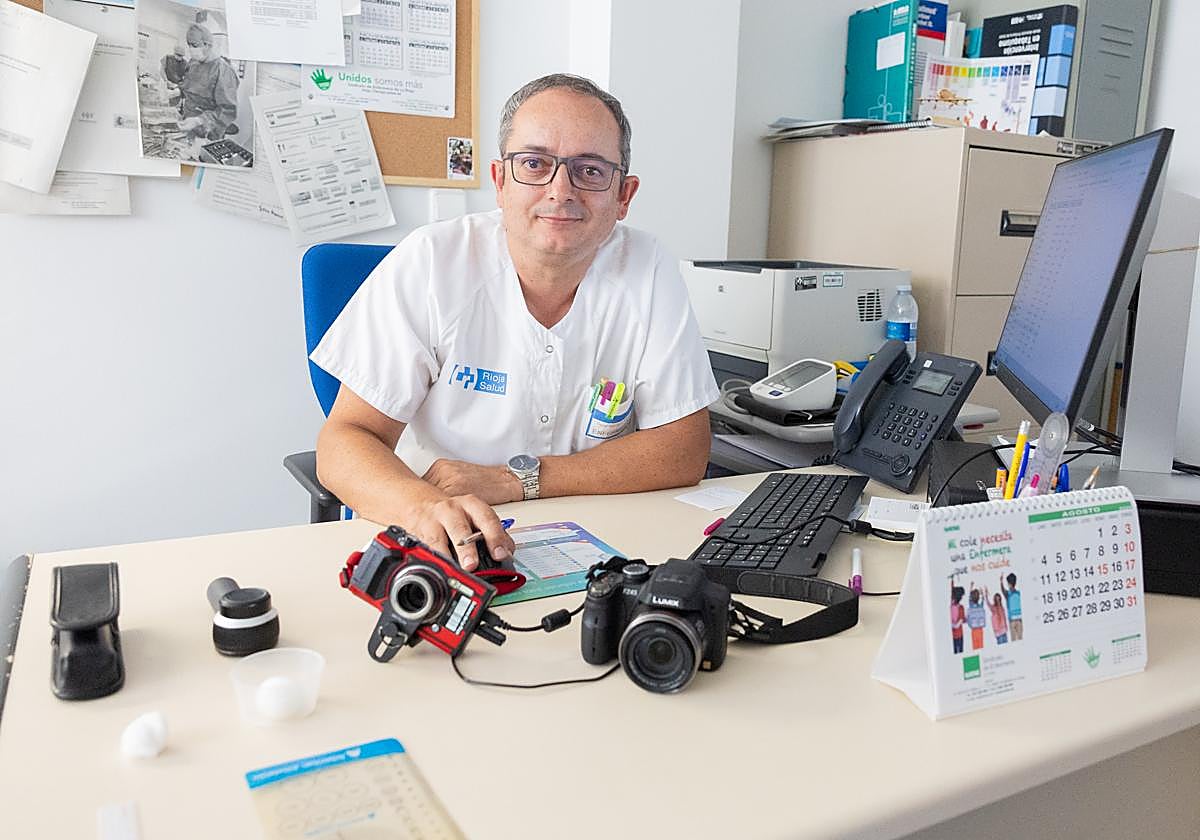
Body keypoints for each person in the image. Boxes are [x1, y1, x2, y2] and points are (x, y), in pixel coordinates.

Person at [312, 74, 719, 571]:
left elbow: (684, 449)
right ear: (500, 181)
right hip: (442, 541)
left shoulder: (648, 266)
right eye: (534, 164)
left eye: (590, 170)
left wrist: (517, 479)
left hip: (601, 538)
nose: (560, 190)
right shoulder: (433, 261)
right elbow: (345, 440)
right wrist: (425, 509)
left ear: (624, 196)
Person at [164, 23, 238, 141]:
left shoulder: (223, 70)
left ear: (207, 45)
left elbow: (227, 110)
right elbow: (187, 86)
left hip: (208, 131)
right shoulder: (193, 63)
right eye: (189, 45)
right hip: (187, 121)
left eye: (194, 45)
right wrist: (176, 92)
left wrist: (199, 120)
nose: (191, 50)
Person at [1001, 572, 1023, 641]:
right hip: (1019, 619)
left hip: (1012, 620)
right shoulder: (1018, 593)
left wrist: (1001, 582)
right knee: (1020, 639)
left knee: (1014, 640)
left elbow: (1003, 591)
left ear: (1009, 584)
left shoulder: (1008, 594)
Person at [966, 583, 987, 651]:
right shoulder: (980, 606)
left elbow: (969, 598)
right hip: (980, 629)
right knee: (981, 646)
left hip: (974, 630)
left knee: (975, 647)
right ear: (978, 598)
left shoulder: (971, 606)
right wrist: (982, 593)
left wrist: (971, 586)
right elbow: (983, 600)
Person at [949, 581, 966, 654]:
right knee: (960, 652)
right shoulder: (961, 608)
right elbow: (957, 625)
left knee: (955, 651)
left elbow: (952, 593)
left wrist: (952, 583)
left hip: (953, 635)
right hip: (959, 634)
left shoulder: (951, 605)